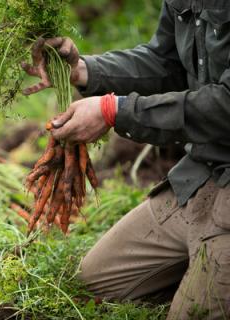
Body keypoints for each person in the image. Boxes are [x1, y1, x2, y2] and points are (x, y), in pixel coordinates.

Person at [22, 1, 230, 319]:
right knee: (95, 285)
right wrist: (82, 71)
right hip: (201, 175)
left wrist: (114, 111)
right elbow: (166, 64)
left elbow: (225, 105)